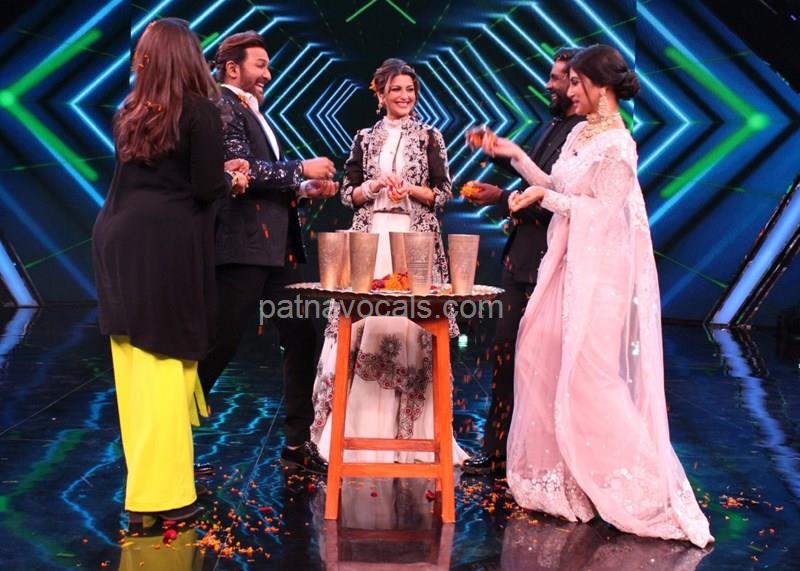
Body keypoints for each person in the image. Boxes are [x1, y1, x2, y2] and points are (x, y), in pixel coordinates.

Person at [492, 45, 713, 547]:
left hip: (598, 274)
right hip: (566, 264)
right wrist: (521, 163)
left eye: (576, 82)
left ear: (601, 85)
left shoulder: (619, 146)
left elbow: (603, 213)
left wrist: (545, 198)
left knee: (589, 376)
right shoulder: (581, 134)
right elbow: (558, 184)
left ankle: (633, 482)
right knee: (536, 353)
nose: (569, 90)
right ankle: (563, 478)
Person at [92, 18, 249, 532]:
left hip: (117, 243)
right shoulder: (200, 110)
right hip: (165, 250)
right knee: (164, 369)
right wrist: (231, 177)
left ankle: (145, 493)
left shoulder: (129, 112)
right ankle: (166, 496)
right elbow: (205, 187)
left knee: (137, 376)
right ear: (190, 57)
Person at [310, 58, 468, 464]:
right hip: (371, 240)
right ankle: (355, 434)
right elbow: (347, 194)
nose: (404, 96)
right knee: (364, 325)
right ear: (380, 94)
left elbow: (444, 193)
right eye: (396, 89)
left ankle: (413, 438)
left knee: (412, 329)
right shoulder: (364, 138)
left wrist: (411, 190)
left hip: (414, 243)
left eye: (410, 90)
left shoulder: (430, 136)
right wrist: (374, 186)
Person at [199, 31, 338, 475]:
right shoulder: (222, 104)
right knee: (219, 345)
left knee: (301, 336)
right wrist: (300, 168)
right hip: (243, 248)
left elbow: (263, 178)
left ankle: (297, 443)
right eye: (260, 65)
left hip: (277, 252)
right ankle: (171, 439)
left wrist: (304, 187)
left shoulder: (252, 110)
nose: (268, 74)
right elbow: (240, 170)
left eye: (268, 66)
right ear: (232, 67)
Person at [461, 47, 584, 476]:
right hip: (522, 258)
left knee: (536, 365)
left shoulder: (583, 136)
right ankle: (498, 451)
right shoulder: (552, 126)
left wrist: (503, 196)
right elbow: (537, 186)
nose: (548, 84)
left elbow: (560, 202)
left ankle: (535, 457)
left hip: (549, 263)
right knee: (506, 355)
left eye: (557, 78)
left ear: (579, 83)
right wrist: (503, 165)